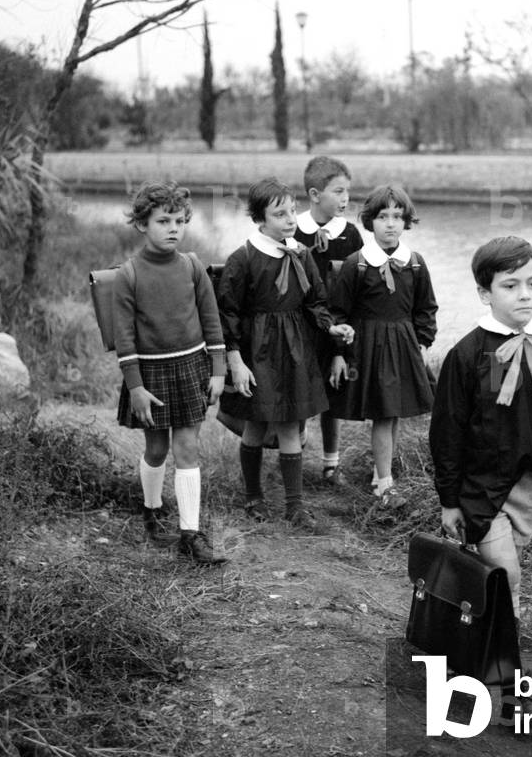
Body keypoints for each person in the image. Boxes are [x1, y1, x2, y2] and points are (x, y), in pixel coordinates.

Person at [428, 235, 532, 730]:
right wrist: (449, 499)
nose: (525, 294)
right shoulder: (467, 354)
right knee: (505, 583)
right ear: (485, 293)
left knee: (498, 589)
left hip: (530, 491)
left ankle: (468, 658)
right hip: (480, 492)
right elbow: (447, 433)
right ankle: (513, 703)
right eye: (511, 284)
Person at [216, 176, 353, 526]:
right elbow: (228, 312)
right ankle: (253, 498)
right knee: (257, 425)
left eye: (292, 211)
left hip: (295, 350)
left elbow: (316, 301)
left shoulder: (301, 253)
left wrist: (330, 327)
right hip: (257, 351)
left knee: (292, 424)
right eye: (280, 214)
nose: (291, 219)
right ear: (260, 219)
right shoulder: (243, 258)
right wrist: (235, 360)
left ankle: (295, 507)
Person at [112, 181, 227, 565]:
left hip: (191, 366)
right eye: (163, 221)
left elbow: (212, 321)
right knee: (157, 448)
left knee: (188, 447)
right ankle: (151, 509)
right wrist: (137, 388)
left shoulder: (193, 266)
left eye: (179, 220)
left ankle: (190, 536)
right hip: (150, 374)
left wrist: (217, 370)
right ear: (143, 224)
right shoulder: (129, 275)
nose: (173, 228)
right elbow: (125, 340)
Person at [328, 184, 437, 509]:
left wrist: (422, 343)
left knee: (392, 415)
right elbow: (338, 312)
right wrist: (338, 353)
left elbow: (426, 308)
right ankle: (384, 486)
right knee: (383, 413)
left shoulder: (415, 264)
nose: (390, 224)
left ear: (406, 222)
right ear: (370, 221)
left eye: (397, 217)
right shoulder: (356, 264)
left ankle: (381, 475)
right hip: (369, 349)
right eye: (382, 216)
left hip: (402, 346)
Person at [293, 155, 363, 487]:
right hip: (300, 328)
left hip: (337, 327)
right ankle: (296, 436)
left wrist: (339, 348)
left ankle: (331, 465)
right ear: (315, 194)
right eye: (338, 191)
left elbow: (354, 293)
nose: (345, 198)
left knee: (333, 392)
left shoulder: (351, 236)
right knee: (301, 389)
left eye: (348, 191)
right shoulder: (292, 232)